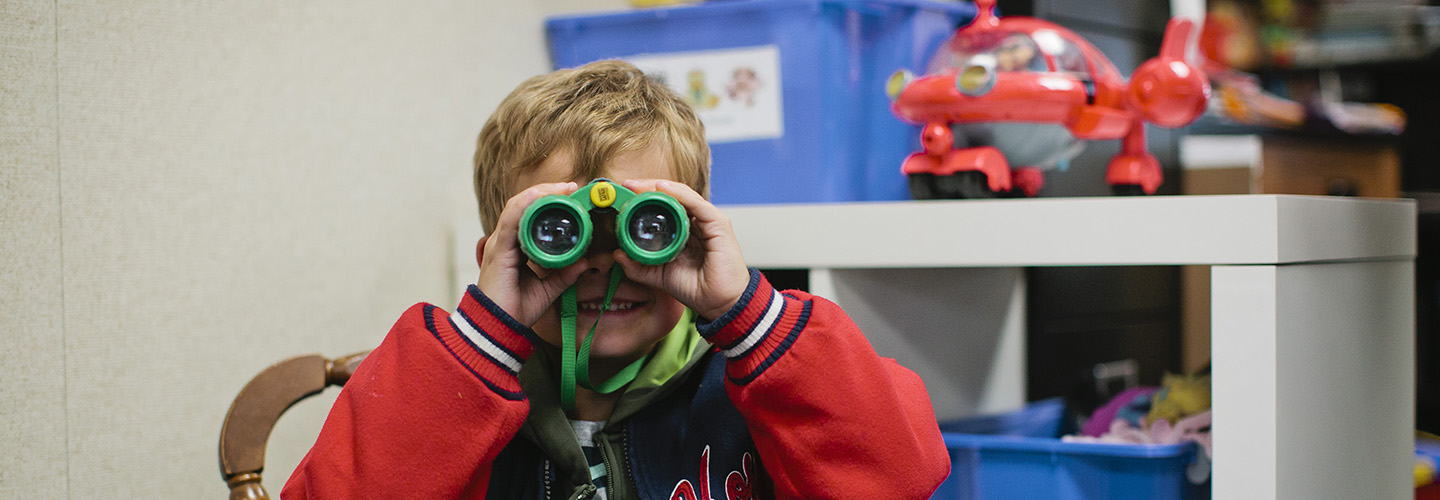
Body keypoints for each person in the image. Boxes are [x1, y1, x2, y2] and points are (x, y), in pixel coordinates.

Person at [283, 59, 949, 500]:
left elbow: (902, 475)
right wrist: (478, 338)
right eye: (558, 230)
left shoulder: (761, 389)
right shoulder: (446, 402)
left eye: (648, 225)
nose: (603, 261)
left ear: (695, 229)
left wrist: (751, 317)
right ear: (499, 251)